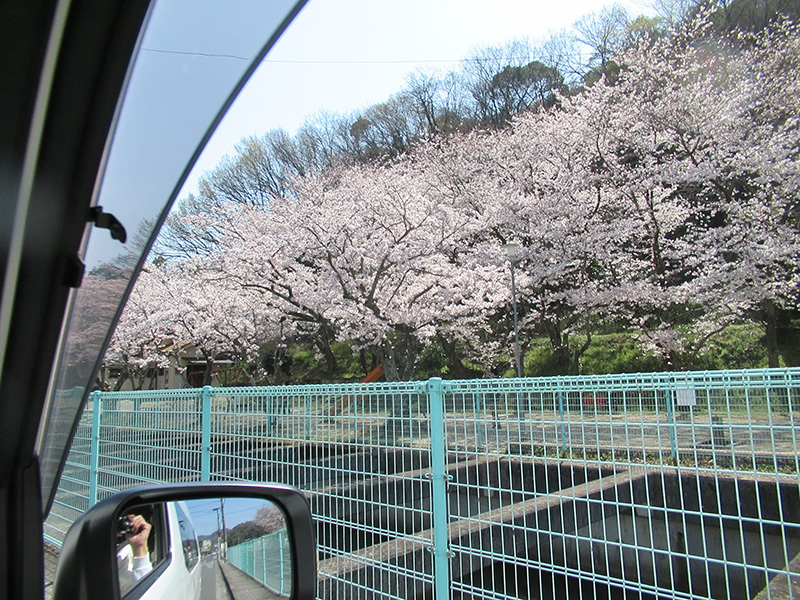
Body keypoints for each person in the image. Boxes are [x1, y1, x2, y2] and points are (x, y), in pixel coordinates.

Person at [117, 513, 153, 594]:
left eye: (127, 520)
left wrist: (139, 547)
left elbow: (146, 593)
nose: (123, 523)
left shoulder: (127, 554)